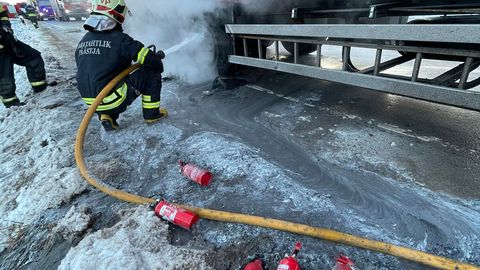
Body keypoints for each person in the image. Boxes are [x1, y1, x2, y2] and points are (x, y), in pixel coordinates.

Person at [75, 0, 167, 131]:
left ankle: (106, 116)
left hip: (91, 102)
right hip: (113, 99)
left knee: (103, 80)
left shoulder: (83, 41)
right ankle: (152, 114)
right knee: (151, 72)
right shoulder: (120, 39)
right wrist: (157, 62)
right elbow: (148, 58)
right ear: (117, 15)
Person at [0, 6, 48, 108]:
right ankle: (11, 104)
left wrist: (5, 27)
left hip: (8, 42)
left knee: (33, 57)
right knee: (4, 77)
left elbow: (2, 14)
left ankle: (40, 86)